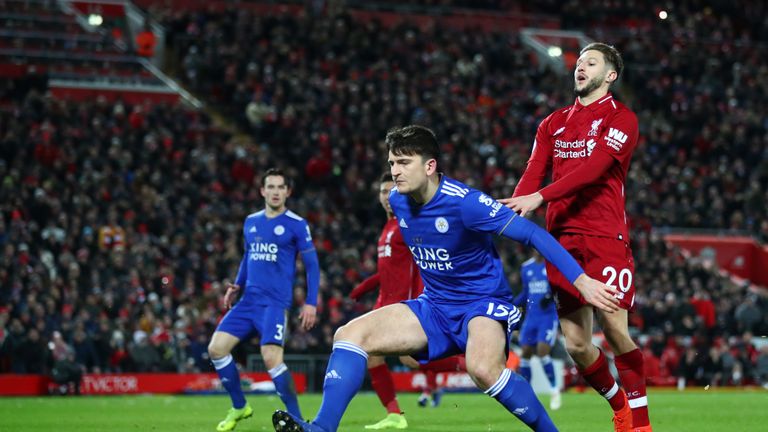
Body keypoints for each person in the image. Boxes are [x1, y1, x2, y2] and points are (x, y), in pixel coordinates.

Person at [272, 125, 619, 432]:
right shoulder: (398, 199)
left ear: (430, 166)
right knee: (348, 334)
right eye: (392, 162)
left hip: (482, 305)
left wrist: (581, 280)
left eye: (404, 163)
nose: (395, 171)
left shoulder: (467, 203)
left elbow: (534, 235)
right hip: (434, 306)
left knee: (482, 369)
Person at [500, 43, 650, 432]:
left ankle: (641, 425)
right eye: (579, 62)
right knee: (577, 345)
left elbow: (597, 169)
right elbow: (534, 173)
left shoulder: (623, 119)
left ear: (610, 75)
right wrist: (511, 210)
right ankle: (620, 405)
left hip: (604, 235)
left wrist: (540, 197)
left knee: (617, 332)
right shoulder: (552, 122)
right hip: (562, 241)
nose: (580, 67)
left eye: (591, 62)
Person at [209, 168, 320, 432]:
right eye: (270, 187)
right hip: (248, 302)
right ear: (262, 191)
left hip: (274, 304)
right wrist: (237, 284)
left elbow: (312, 266)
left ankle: (297, 420)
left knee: (271, 357)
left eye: (281, 187)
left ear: (288, 192)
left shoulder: (296, 224)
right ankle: (239, 406)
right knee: (216, 349)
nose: (275, 192)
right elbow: (248, 256)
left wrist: (311, 302)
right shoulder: (251, 222)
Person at [349, 173, 424, 430]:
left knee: (410, 359)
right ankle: (394, 413)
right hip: (384, 303)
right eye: (383, 192)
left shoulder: (407, 224)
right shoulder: (388, 227)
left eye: (392, 191)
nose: (387, 197)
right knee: (373, 355)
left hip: (402, 305)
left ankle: (472, 360)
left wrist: (420, 300)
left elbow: (421, 265)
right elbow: (389, 271)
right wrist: (363, 288)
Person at [514, 251, 561, 410]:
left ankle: (554, 391)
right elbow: (525, 293)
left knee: (542, 351)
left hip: (548, 317)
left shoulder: (551, 265)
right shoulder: (526, 267)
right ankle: (529, 394)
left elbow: (560, 289)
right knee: (525, 351)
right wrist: (512, 304)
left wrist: (551, 297)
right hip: (531, 317)